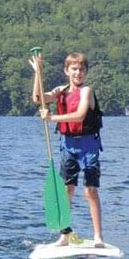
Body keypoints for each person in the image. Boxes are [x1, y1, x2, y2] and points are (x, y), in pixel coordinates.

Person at [31, 52, 105, 247]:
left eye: (81, 69)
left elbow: (80, 115)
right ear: (66, 71)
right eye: (74, 69)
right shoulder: (60, 91)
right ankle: (65, 234)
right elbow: (38, 98)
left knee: (90, 191)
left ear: (86, 73)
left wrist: (52, 118)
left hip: (88, 146)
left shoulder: (86, 91)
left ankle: (98, 237)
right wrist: (38, 73)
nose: (78, 72)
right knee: (66, 190)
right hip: (68, 145)